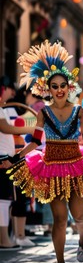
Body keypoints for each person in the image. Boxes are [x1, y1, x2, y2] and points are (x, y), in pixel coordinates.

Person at [4, 41, 83, 263]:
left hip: (75, 164)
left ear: (68, 86)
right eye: (54, 86)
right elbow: (34, 141)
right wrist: (16, 157)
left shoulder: (79, 110)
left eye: (62, 85)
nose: (59, 89)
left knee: (79, 214)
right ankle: (60, 262)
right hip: (50, 165)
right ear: (47, 88)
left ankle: (82, 239)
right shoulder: (43, 113)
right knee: (59, 219)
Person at [0, 76, 34, 250]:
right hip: (2, 159)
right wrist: (31, 129)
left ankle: (7, 238)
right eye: (9, 89)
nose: (12, 93)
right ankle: (4, 239)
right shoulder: (3, 109)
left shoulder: (3, 108)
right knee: (4, 201)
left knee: (6, 201)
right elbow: (6, 128)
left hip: (6, 158)